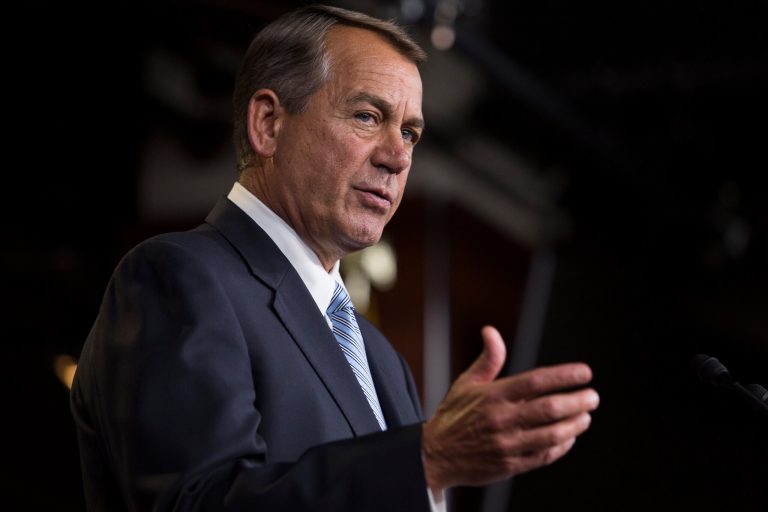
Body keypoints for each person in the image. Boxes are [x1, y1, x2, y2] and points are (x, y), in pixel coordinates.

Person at [71, 5, 599, 511]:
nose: (397, 156)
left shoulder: (381, 359)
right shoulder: (178, 277)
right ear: (269, 124)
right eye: (368, 116)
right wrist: (430, 458)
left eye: (410, 132)